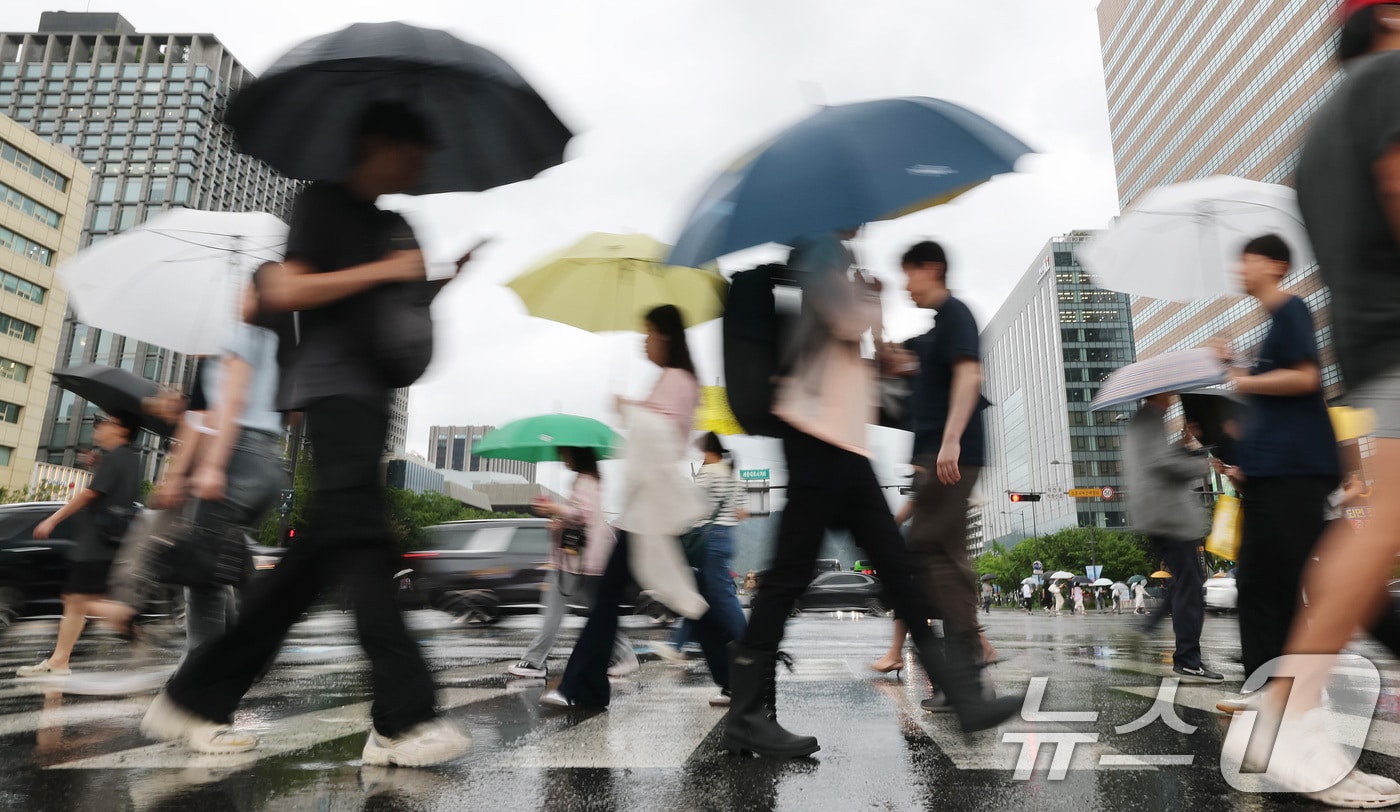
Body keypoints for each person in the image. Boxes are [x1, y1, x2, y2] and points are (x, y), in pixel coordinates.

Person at [140, 102, 474, 766]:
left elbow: (388, 313)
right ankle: (403, 717)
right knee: (367, 546)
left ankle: (194, 697)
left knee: (310, 568)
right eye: (414, 151)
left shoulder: (393, 222)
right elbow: (287, 289)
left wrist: (433, 284)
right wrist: (383, 272)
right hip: (335, 393)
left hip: (370, 395)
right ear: (377, 142)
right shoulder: (322, 203)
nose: (421, 166)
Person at [720, 234, 1021, 759]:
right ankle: (745, 716)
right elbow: (842, 322)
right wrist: (867, 297)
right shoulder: (821, 253)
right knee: (789, 578)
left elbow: (868, 354)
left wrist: (873, 314)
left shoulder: (836, 259)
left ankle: (966, 697)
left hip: (844, 444)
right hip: (816, 438)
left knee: (899, 573)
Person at [1219, 4, 1400, 806]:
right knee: (1375, 533)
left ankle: (1281, 708)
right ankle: (1290, 716)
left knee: (1346, 548)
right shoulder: (1390, 80)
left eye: (1247, 261)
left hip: (1371, 350)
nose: (1240, 270)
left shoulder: (1318, 128)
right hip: (1390, 344)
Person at [542, 304, 733, 709]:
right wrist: (634, 410)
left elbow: (664, 440)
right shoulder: (673, 379)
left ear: (665, 335)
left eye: (648, 333)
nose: (644, 342)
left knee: (634, 597)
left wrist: (631, 410)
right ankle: (734, 677)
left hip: (650, 510)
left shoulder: (678, 380)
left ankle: (584, 687)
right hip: (645, 509)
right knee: (679, 596)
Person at [94, 268, 292, 654]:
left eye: (245, 290)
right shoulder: (280, 346)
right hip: (270, 466)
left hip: (237, 460)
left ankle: (197, 687)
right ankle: (233, 661)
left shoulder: (239, 337)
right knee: (219, 568)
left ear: (256, 295)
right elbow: (288, 413)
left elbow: (225, 409)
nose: (238, 297)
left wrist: (206, 467)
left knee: (201, 580)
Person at [1210, 234, 1340, 690]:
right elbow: (1275, 397)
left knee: (1272, 585)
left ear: (1275, 265)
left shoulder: (1291, 310)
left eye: (1247, 261)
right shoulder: (1274, 326)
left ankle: (1270, 687)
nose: (1240, 270)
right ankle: (1271, 686)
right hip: (1275, 474)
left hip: (1294, 472)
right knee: (1272, 585)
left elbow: (1305, 378)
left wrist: (1238, 378)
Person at [891, 241, 994, 701]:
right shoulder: (933, 332)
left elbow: (970, 375)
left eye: (908, 274)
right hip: (939, 458)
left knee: (931, 556)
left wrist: (951, 439)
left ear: (930, 269)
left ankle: (964, 675)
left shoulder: (956, 314)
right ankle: (962, 677)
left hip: (950, 457)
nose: (905, 285)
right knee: (947, 561)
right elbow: (892, 361)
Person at [16, 411, 142, 677]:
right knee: (76, 602)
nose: (98, 427)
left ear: (121, 429)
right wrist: (97, 465)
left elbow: (89, 495)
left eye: (105, 421)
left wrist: (52, 520)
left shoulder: (115, 457)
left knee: (76, 600)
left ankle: (123, 616)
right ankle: (59, 661)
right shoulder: (127, 459)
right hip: (107, 542)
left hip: (96, 543)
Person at [507, 447, 632, 680]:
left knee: (563, 609)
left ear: (577, 455)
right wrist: (559, 522)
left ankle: (535, 662)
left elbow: (582, 514)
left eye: (565, 454)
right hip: (579, 560)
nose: (563, 458)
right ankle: (625, 656)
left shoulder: (585, 481)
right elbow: (580, 517)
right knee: (590, 611)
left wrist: (555, 509)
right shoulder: (586, 480)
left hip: (578, 561)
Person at [1125, 392, 1224, 682]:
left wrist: (1181, 446)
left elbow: (1157, 460)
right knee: (1191, 585)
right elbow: (1159, 466)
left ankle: (1152, 630)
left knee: (1186, 582)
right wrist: (1198, 462)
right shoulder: (1148, 420)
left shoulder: (1146, 421)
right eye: (1168, 392)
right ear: (1157, 394)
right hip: (1168, 516)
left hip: (1160, 515)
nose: (1172, 396)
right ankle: (1188, 658)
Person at [654, 432, 750, 686]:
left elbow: (690, 508)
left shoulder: (708, 473)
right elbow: (743, 513)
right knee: (703, 597)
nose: (700, 456)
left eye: (701, 451)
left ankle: (751, 647)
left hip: (711, 540)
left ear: (709, 451)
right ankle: (677, 644)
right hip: (727, 538)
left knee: (721, 599)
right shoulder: (732, 476)